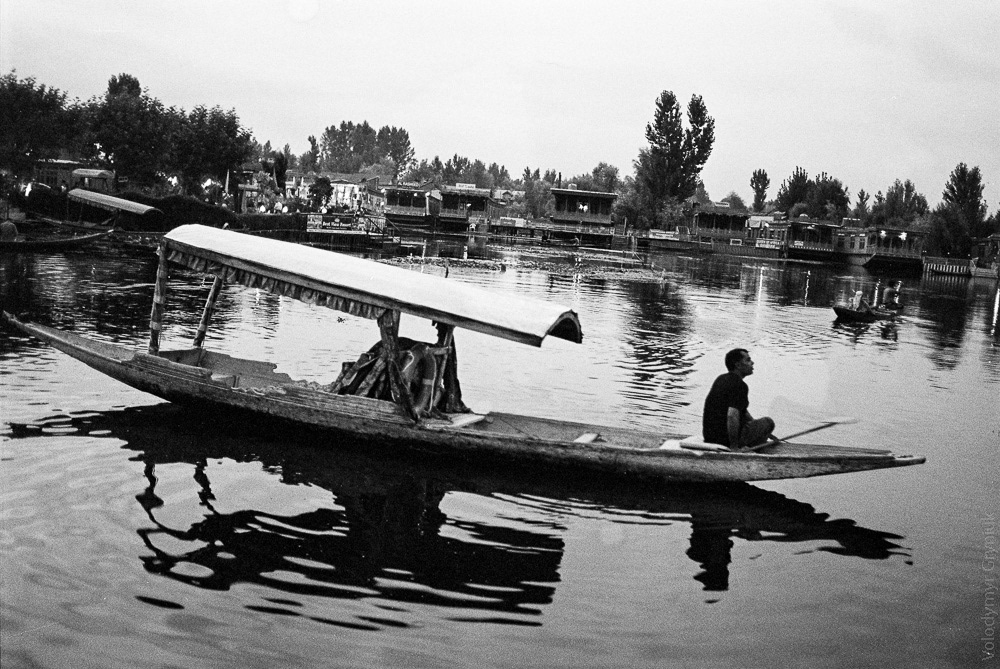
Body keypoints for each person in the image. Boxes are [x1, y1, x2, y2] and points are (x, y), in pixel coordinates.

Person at [703, 348, 776, 451]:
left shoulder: (721, 379)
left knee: (760, 425)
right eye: (748, 360)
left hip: (709, 437)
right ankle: (750, 448)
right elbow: (731, 415)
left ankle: (752, 444)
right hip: (725, 441)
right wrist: (734, 447)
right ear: (738, 365)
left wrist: (761, 431)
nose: (752, 363)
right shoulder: (740, 385)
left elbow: (743, 412)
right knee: (768, 422)